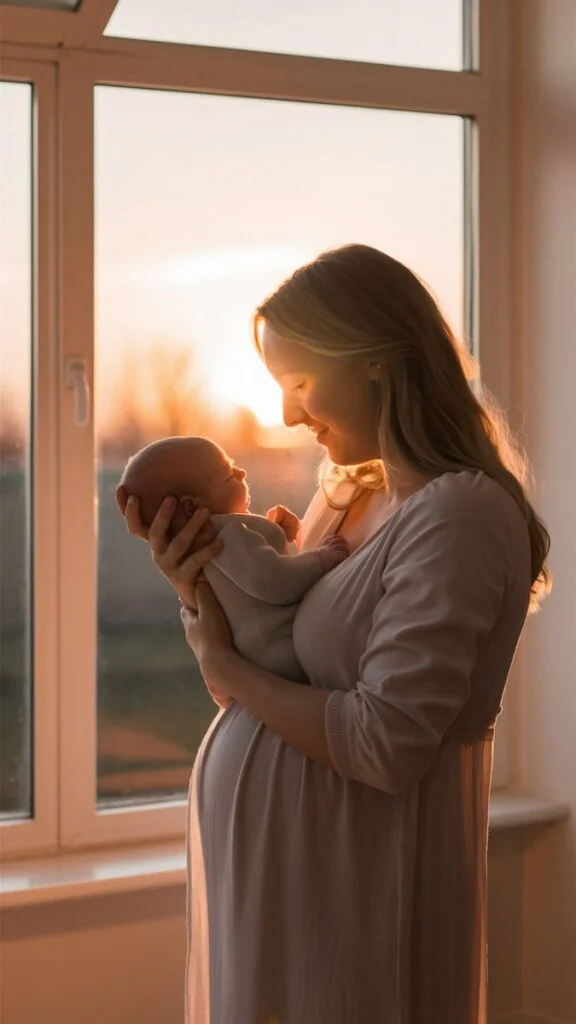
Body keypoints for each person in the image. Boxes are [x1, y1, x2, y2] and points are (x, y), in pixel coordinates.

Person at [118, 244, 551, 1024]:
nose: (287, 414)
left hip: (361, 889)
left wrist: (222, 660)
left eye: (300, 384)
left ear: (378, 360)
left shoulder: (459, 514)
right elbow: (255, 682)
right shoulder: (349, 499)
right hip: (294, 880)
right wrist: (199, 593)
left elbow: (386, 745)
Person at [117, 435, 348, 682]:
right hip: (283, 655)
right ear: (191, 508)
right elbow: (272, 580)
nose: (242, 473)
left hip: (264, 664)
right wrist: (320, 559)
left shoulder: (211, 544)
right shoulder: (228, 534)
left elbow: (256, 568)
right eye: (230, 475)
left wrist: (279, 536)